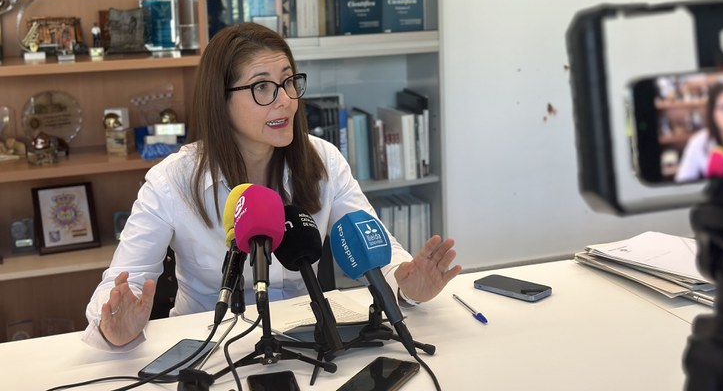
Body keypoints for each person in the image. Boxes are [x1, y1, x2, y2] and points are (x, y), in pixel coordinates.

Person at [83, 22, 461, 350]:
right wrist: (114, 328)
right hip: (209, 345)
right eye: (262, 87)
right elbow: (123, 284)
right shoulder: (172, 180)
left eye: (288, 81)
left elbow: (379, 253)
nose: (284, 101)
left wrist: (407, 286)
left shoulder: (323, 160)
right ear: (221, 99)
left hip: (305, 340)